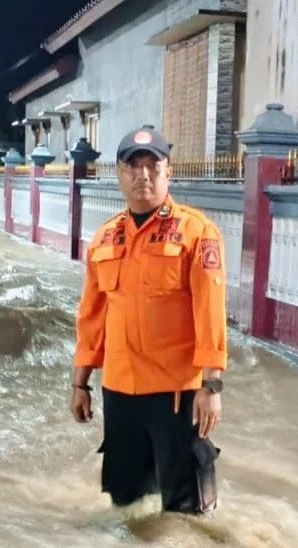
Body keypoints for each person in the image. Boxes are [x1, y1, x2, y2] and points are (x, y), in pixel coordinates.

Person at [70, 125, 229, 515]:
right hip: (119, 392)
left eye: (152, 166)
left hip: (175, 396)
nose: (143, 175)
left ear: (168, 173)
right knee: (123, 504)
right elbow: (91, 316)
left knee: (184, 511)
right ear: (120, 173)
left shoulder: (197, 233)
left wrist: (211, 385)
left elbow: (210, 311)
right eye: (133, 166)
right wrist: (80, 382)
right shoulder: (105, 238)